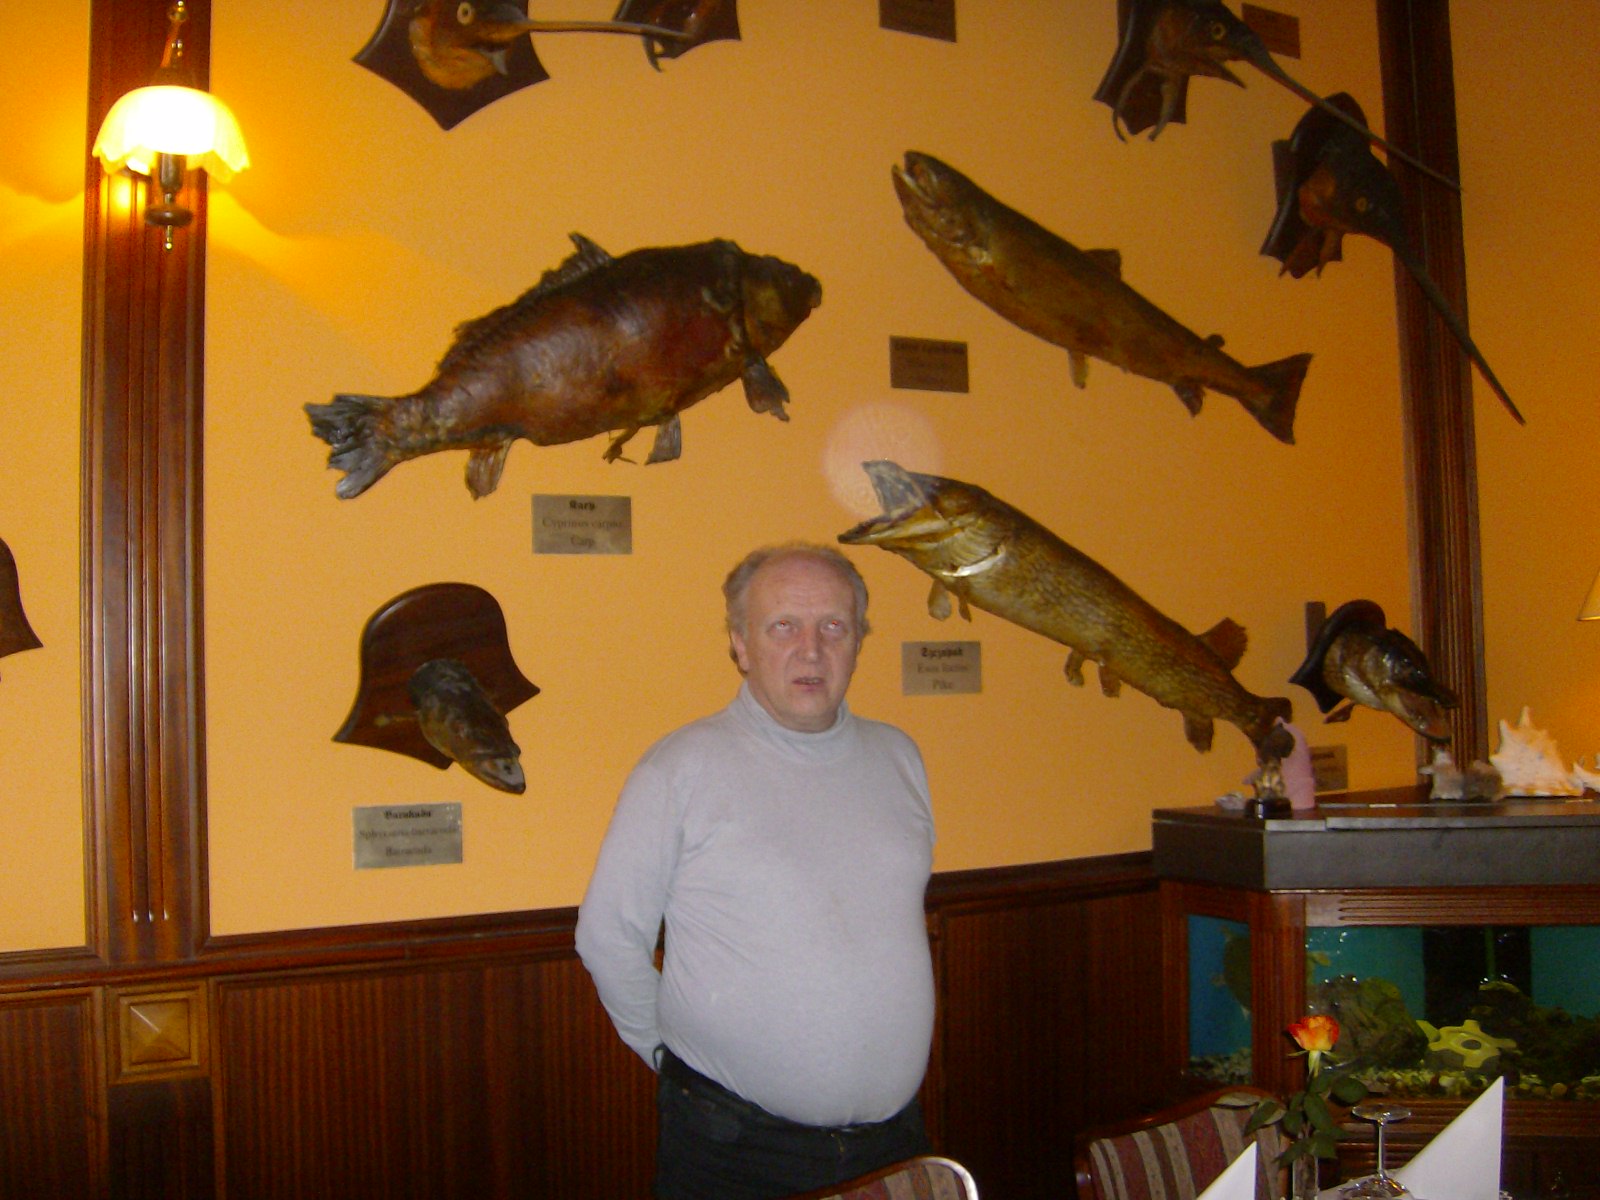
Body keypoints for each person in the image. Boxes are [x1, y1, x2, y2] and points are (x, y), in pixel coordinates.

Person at [575, 542, 937, 1200]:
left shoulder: (900, 758)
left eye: (834, 625)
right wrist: (673, 1060)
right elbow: (607, 936)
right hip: (735, 1153)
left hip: (894, 1144)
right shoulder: (680, 767)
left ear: (860, 640)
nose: (811, 649)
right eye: (783, 627)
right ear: (741, 645)